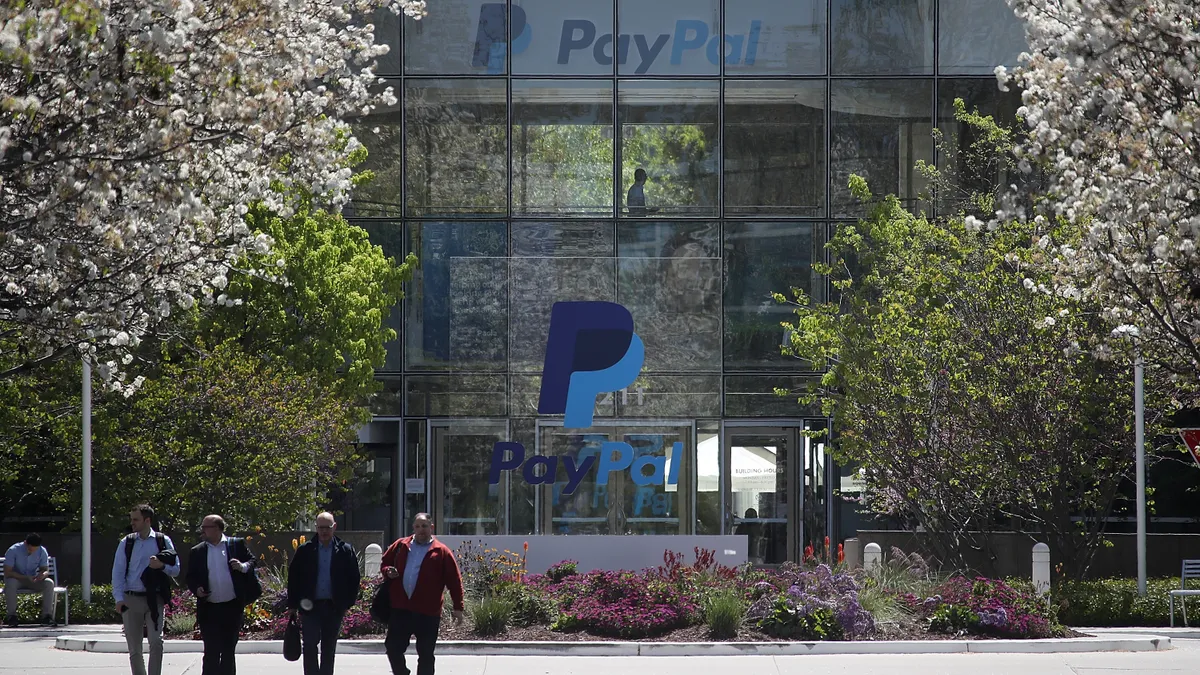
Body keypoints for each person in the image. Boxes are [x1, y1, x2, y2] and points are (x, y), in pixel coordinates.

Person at [380, 513, 465, 675]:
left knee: (425, 654)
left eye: (424, 526)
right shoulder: (400, 545)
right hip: (401, 609)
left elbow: (454, 581)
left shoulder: (441, 551)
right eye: (418, 526)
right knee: (393, 648)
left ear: (431, 528)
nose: (421, 530)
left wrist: (458, 607)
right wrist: (387, 571)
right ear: (413, 528)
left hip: (428, 612)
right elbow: (385, 562)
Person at [287, 512, 360, 675]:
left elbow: (354, 578)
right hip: (310, 606)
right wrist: (292, 605)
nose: (324, 531)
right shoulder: (305, 550)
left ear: (334, 527)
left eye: (327, 527)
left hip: (334, 607)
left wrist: (347, 603)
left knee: (329, 646)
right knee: (310, 645)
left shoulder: (345, 550)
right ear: (316, 528)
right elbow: (294, 578)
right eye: (321, 528)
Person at [112, 504, 180, 675]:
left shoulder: (162, 540)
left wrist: (162, 566)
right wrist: (119, 598)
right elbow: (118, 573)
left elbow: (176, 569)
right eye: (131, 519)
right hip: (131, 598)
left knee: (156, 642)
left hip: (155, 598)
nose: (132, 523)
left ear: (147, 520)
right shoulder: (127, 542)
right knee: (134, 648)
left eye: (136, 519)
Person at [186, 515, 258, 675]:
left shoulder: (236, 545)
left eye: (206, 527)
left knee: (228, 651)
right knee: (211, 651)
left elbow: (252, 561)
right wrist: (196, 589)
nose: (202, 530)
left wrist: (243, 566)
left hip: (232, 606)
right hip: (209, 608)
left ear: (217, 529)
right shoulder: (197, 551)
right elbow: (190, 577)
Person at [3, 533, 55, 627]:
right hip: (17, 579)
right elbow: (8, 573)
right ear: (25, 543)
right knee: (10, 583)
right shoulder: (13, 550)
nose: (32, 552)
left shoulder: (42, 551)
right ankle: (12, 616)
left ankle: (47, 616)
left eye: (35, 550)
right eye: (30, 549)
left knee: (49, 583)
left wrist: (42, 575)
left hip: (33, 579)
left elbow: (45, 569)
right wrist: (26, 578)